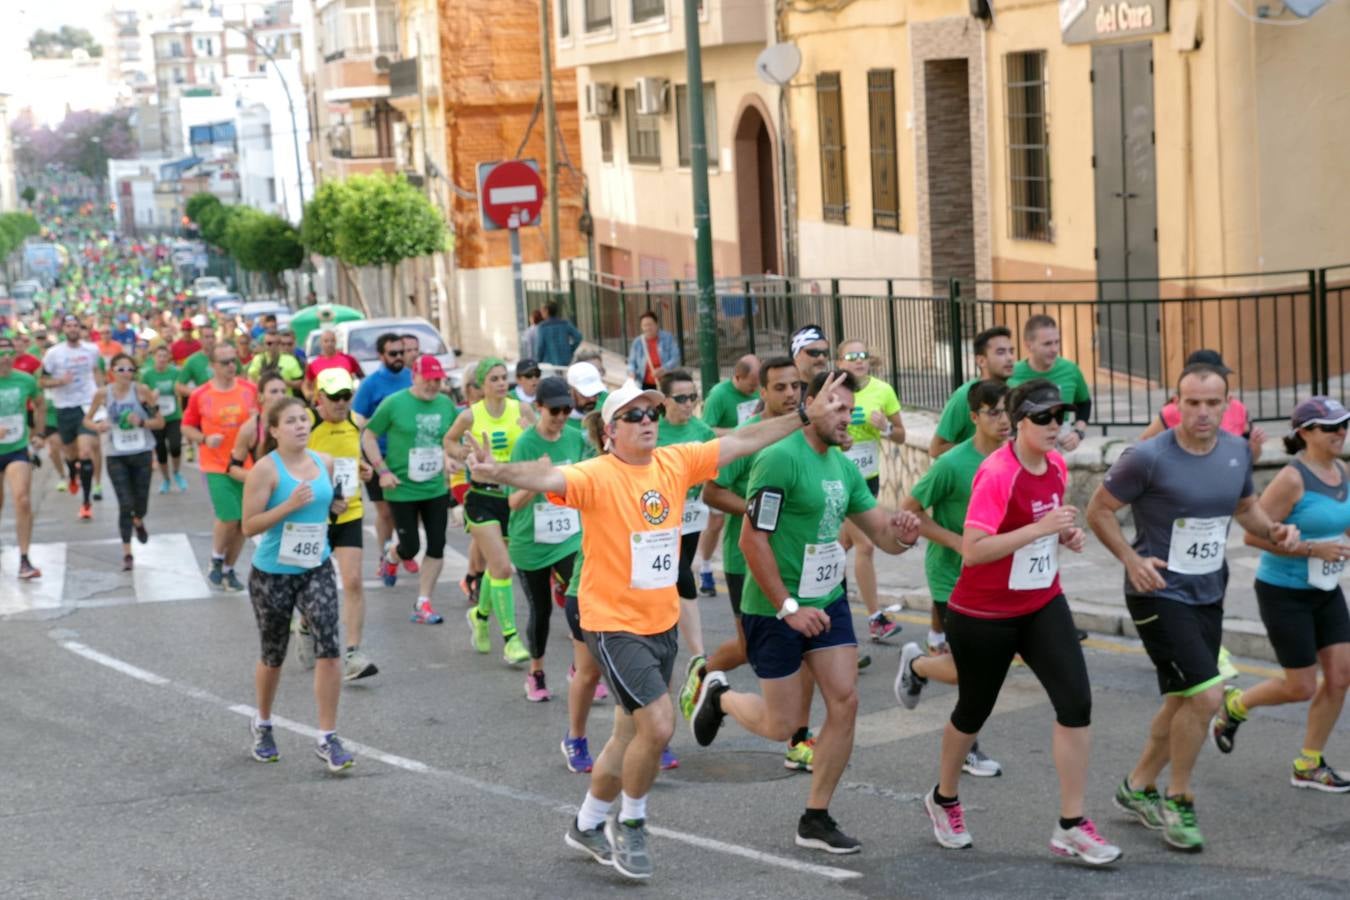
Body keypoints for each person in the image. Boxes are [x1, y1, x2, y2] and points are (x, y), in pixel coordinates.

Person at [462, 375, 846, 881]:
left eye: (652, 414)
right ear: (609, 432)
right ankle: (634, 822)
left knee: (627, 736)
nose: (648, 422)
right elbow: (547, 479)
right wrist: (496, 471)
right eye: (634, 416)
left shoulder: (674, 461)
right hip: (609, 623)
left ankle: (587, 822)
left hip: (659, 620)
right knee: (660, 726)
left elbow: (742, 440)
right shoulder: (595, 474)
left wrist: (803, 416)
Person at [690, 371, 922, 855]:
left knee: (846, 700)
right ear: (811, 405)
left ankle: (815, 816)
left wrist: (903, 532)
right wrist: (788, 607)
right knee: (783, 725)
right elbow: (753, 539)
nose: (848, 418)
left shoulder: (843, 466)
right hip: (774, 607)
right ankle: (720, 695)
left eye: (852, 410)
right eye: (838, 408)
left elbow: (880, 534)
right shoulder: (778, 459)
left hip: (827, 598)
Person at [1086, 362, 1298, 852]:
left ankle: (1136, 786)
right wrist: (1129, 557)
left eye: (1212, 403)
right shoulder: (1146, 457)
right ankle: (1178, 798)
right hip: (1157, 590)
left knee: (1183, 699)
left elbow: (1245, 506)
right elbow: (1098, 509)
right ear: (1176, 403)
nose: (1203, 412)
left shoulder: (1234, 451)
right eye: (1193, 402)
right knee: (1206, 696)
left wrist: (1274, 530)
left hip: (1209, 591)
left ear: (1227, 404)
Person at [919, 380, 1118, 865]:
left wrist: (1062, 536)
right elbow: (973, 549)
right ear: (1020, 421)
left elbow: (1044, 523)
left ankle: (1071, 824)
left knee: (1076, 703)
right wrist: (1039, 530)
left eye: (1061, 417)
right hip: (983, 613)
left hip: (1042, 602)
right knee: (973, 709)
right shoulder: (996, 473)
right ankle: (944, 798)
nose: (1056, 426)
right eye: (1045, 417)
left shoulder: (1054, 464)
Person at [1211, 396, 1350, 791]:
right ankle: (1235, 706)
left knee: (1341, 676)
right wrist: (1311, 549)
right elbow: (1252, 534)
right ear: (1305, 433)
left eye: (1345, 424)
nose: (1341, 432)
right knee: (1301, 686)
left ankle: (1309, 763)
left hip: (1325, 588)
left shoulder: (1341, 470)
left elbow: (1342, 522)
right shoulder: (1292, 478)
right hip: (1283, 592)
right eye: (1331, 427)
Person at [691, 356, 818, 772]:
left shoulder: (805, 432)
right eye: (779, 387)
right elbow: (711, 493)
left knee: (806, 651)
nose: (789, 395)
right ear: (761, 392)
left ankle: (799, 739)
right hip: (748, 560)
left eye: (795, 387)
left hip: (798, 563)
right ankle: (704, 678)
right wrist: (755, 509)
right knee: (749, 649)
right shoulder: (751, 439)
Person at [895, 379, 1010, 778]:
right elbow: (908, 512)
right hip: (952, 578)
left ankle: (920, 666)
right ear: (974, 417)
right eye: (994, 412)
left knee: (988, 665)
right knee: (975, 671)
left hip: (999, 576)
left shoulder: (1014, 458)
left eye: (1008, 409)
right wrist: (957, 542)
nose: (1004, 419)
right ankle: (968, 747)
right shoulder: (951, 464)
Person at [240, 395, 355, 773]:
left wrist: (335, 506)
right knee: (274, 655)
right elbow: (249, 526)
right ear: (274, 431)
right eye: (290, 421)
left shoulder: (324, 462)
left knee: (330, 646)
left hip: (316, 566)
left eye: (303, 420)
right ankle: (263, 722)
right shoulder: (264, 471)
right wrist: (288, 506)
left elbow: (331, 504)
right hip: (272, 572)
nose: (301, 426)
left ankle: (327, 737)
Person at [448, 358, 534, 663]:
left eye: (504, 378)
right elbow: (448, 440)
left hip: (512, 498)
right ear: (481, 385)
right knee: (502, 567)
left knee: (496, 568)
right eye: (494, 379)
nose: (501, 384)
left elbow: (539, 443)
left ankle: (480, 616)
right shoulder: (471, 415)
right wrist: (460, 452)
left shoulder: (521, 410)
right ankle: (511, 639)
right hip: (482, 496)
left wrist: (529, 432)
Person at [507, 376, 588, 701]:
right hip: (531, 541)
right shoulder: (525, 444)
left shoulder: (574, 438)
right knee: (540, 611)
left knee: (582, 603)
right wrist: (537, 479)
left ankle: (581, 669)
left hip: (569, 537)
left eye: (567, 409)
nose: (561, 416)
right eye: (555, 410)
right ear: (539, 407)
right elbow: (513, 502)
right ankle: (536, 673)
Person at [362, 354, 459, 624]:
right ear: (414, 377)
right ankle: (392, 555)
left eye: (437, 380)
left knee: (437, 545)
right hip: (401, 487)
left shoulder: (445, 405)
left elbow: (450, 439)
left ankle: (423, 602)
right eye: (427, 380)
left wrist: (449, 458)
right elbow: (368, 435)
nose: (432, 385)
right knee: (410, 545)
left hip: (435, 487)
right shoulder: (394, 403)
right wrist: (383, 471)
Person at [308, 368, 378, 682]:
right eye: (334, 397)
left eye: (346, 396)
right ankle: (305, 623)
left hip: (349, 513)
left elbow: (353, 459)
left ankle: (352, 653)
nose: (341, 402)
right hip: (312, 517)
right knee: (312, 589)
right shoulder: (306, 423)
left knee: (352, 581)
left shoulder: (354, 423)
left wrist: (365, 471)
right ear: (318, 396)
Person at [836, 339, 907, 642]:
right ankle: (876, 618)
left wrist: (886, 429)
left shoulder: (883, 391)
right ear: (840, 362)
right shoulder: (834, 392)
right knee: (865, 545)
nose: (859, 360)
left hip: (869, 480)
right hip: (840, 479)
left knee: (837, 548)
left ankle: (818, 600)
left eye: (863, 355)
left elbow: (901, 435)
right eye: (851, 356)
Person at [182, 343, 259, 592]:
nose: (230, 366)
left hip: (246, 464)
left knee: (243, 524)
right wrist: (204, 439)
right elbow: (187, 426)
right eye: (224, 362)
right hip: (215, 464)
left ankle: (228, 569)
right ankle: (216, 558)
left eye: (233, 361)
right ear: (213, 366)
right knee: (229, 516)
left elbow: (262, 422)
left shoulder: (249, 390)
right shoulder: (200, 395)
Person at [83, 352, 164, 570]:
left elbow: (159, 422)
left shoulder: (142, 391)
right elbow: (87, 420)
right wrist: (98, 426)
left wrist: (142, 422)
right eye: (121, 369)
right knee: (124, 502)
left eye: (130, 369)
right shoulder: (103, 394)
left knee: (141, 503)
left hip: (142, 452)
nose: (126, 373)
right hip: (116, 454)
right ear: (112, 372)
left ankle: (139, 519)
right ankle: (127, 552)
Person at [696, 354, 761, 596]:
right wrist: (737, 433)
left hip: (747, 466)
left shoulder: (758, 392)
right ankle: (705, 567)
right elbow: (706, 429)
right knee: (717, 521)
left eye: (757, 385)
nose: (754, 389)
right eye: (750, 384)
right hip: (722, 463)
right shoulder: (720, 396)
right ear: (737, 377)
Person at [1137, 349, 1267, 463]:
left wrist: (1256, 447)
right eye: (1193, 403)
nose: (1203, 412)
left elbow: (1248, 459)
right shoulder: (1172, 411)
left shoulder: (1238, 408)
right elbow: (1143, 445)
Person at [352, 333, 410, 571]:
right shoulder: (371, 384)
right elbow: (357, 417)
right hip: (378, 454)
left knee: (407, 510)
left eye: (401, 352)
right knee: (385, 511)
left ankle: (401, 550)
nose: (398, 358)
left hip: (406, 455)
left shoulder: (411, 378)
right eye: (393, 353)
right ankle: (385, 554)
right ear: (381, 356)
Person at [40, 314, 103, 520]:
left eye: (76, 325)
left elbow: (97, 372)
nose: (73, 328)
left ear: (81, 329)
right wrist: (59, 382)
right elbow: (42, 381)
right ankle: (72, 473)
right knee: (71, 453)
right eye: (69, 326)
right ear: (63, 330)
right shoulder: (53, 354)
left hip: (87, 406)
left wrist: (102, 394)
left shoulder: (92, 350)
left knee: (86, 451)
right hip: (64, 407)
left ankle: (86, 502)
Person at [1008, 315, 1091, 452]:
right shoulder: (1012, 373)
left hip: (1059, 444)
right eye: (1047, 344)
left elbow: (1084, 403)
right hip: (1021, 446)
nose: (1054, 349)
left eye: (1057, 342)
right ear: (1029, 345)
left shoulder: (1071, 370)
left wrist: (1078, 433)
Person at [929, 326, 1016, 458]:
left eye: (1011, 351)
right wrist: (981, 449)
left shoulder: (1013, 391)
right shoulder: (964, 396)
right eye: (1000, 352)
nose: (1010, 358)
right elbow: (936, 449)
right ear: (981, 360)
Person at [0, 335, 44, 580]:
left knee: (23, 500)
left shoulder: (25, 380)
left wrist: (39, 434)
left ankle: (24, 559)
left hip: (17, 447)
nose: (5, 357)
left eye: (9, 352)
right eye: (0, 353)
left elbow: (40, 404)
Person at [140, 343, 187, 494]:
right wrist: (150, 398)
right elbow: (141, 396)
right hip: (156, 416)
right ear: (154, 358)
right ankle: (166, 479)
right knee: (160, 451)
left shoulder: (175, 372)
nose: (161, 359)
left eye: (164, 356)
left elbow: (180, 389)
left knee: (175, 446)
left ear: (169, 358)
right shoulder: (147, 374)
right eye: (159, 356)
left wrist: (177, 390)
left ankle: (177, 472)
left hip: (173, 415)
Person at [303, 329, 363, 400]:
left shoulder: (349, 359)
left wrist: (357, 393)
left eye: (332, 341)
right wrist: (309, 394)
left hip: (345, 401)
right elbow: (306, 384)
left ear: (336, 342)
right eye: (326, 341)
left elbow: (362, 378)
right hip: (324, 405)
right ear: (321, 343)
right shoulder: (313, 364)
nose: (329, 344)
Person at [627, 311, 680, 390]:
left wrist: (663, 369)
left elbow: (675, 358)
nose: (647, 328)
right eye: (644, 325)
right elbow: (631, 362)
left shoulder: (668, 338)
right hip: (643, 384)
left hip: (666, 383)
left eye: (650, 324)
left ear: (656, 324)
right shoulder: (637, 342)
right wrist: (631, 372)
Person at [565, 361, 607, 440]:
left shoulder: (605, 411)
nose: (592, 399)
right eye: (585, 394)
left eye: (596, 394)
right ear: (571, 390)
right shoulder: (558, 419)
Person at [535, 300, 583, 367]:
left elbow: (540, 346)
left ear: (546, 310)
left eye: (542, 310)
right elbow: (578, 337)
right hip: (566, 360)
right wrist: (570, 349)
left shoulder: (542, 327)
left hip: (549, 363)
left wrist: (538, 361)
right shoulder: (565, 323)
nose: (541, 312)